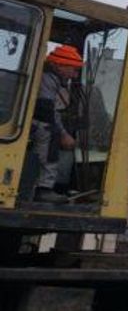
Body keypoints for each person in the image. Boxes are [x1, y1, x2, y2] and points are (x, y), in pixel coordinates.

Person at [30, 44, 83, 203]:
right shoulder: (47, 79)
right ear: (59, 65)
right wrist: (63, 134)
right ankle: (43, 188)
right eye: (73, 70)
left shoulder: (50, 78)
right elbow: (46, 111)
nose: (74, 75)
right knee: (49, 133)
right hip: (35, 121)